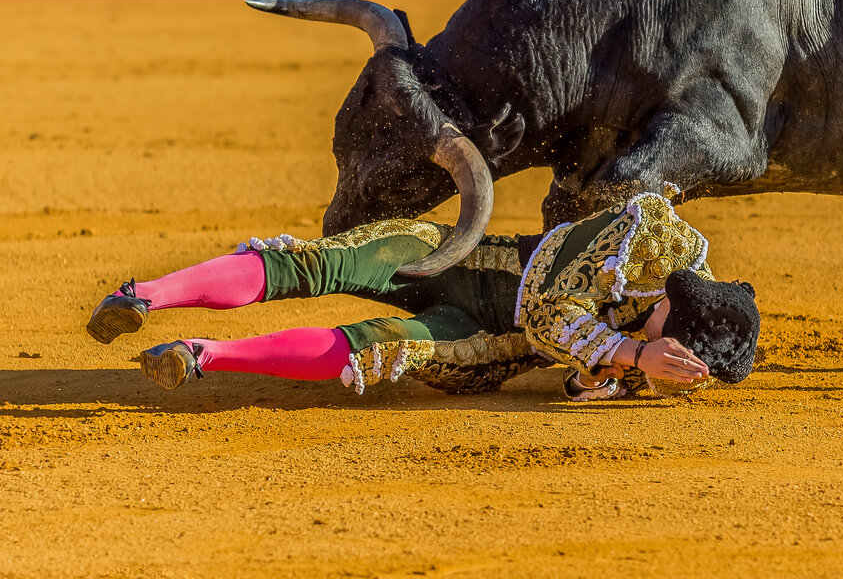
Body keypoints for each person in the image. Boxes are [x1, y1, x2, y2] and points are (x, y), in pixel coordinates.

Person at [87, 193, 760, 402]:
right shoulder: (652, 239)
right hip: (458, 255)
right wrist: (630, 358)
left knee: (375, 350)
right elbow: (552, 312)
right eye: (674, 335)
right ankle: (145, 294)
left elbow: (575, 387)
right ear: (681, 299)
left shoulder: (656, 361)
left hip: (479, 345)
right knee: (314, 264)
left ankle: (202, 356)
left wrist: (621, 373)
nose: (665, 347)